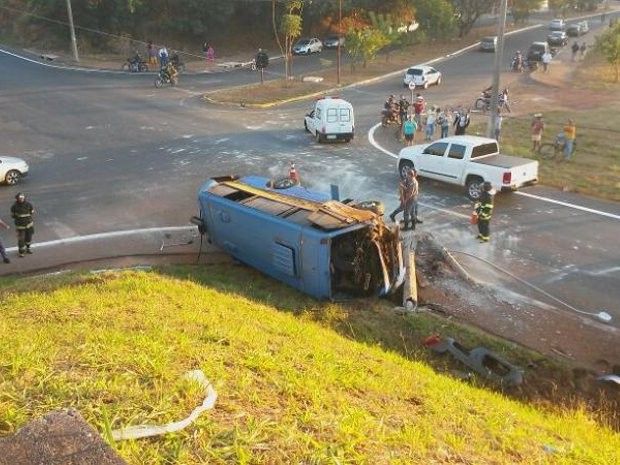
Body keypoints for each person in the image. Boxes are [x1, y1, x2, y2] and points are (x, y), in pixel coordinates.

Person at [11, 192, 35, 257]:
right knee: (21, 240)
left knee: (29, 238)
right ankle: (21, 252)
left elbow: (32, 212)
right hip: (20, 227)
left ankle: (28, 248)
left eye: (22, 198)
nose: (21, 199)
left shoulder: (29, 204)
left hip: (29, 225)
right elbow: (12, 215)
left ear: (24, 198)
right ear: (17, 199)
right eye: (20, 198)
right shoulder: (14, 207)